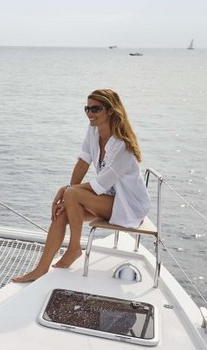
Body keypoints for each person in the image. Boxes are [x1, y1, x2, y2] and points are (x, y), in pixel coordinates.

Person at [12, 89, 150, 283]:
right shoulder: (94, 130)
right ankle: (41, 269)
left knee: (71, 194)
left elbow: (100, 184)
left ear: (110, 110)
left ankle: (74, 247)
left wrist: (67, 191)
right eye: (87, 109)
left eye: (95, 109)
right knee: (62, 212)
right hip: (108, 197)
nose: (90, 114)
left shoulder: (122, 146)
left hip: (128, 204)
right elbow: (83, 162)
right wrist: (68, 196)